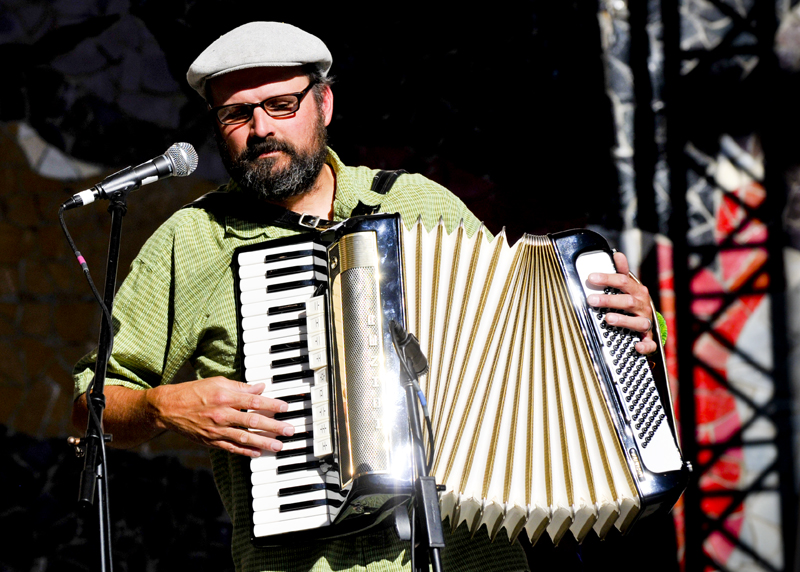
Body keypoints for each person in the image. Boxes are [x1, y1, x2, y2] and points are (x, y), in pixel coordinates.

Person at [72, 21, 661, 572]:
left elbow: (529, 328)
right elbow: (89, 405)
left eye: (281, 105)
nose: (261, 129)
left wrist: (630, 323)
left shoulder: (418, 204)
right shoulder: (190, 242)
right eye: (236, 114)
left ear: (323, 103)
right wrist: (163, 407)